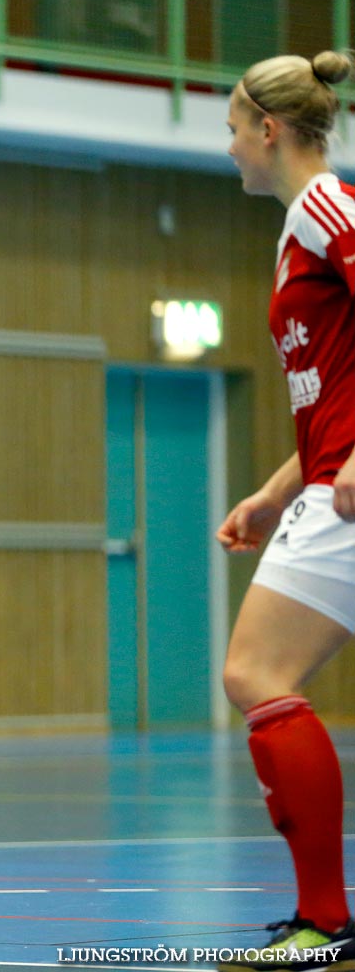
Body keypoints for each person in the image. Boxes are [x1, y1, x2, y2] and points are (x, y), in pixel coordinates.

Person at [216, 50, 355, 972]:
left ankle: (327, 923)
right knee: (258, 675)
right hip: (323, 478)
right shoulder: (292, 233)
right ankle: (323, 919)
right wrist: (275, 489)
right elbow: (333, 385)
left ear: (269, 130)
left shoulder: (326, 207)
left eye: (232, 130)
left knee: (256, 671)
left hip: (348, 486)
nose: (227, 150)